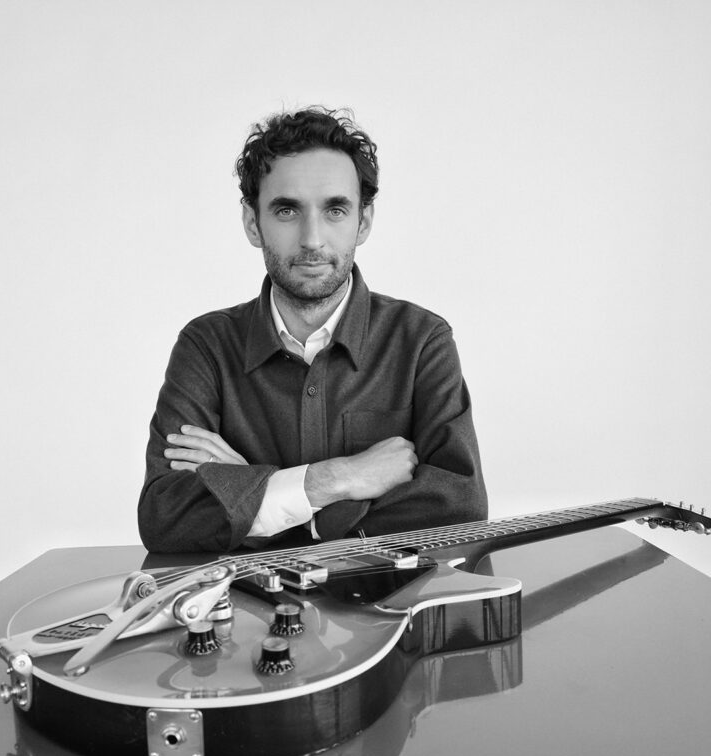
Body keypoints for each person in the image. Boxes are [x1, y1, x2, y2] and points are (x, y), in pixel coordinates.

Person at [138, 107, 487, 553]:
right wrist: (339, 479)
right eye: (287, 210)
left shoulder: (421, 341)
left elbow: (460, 509)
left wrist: (255, 493)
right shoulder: (206, 346)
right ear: (252, 223)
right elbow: (165, 517)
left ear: (363, 222)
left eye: (335, 210)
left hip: (386, 614)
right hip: (244, 618)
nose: (312, 239)